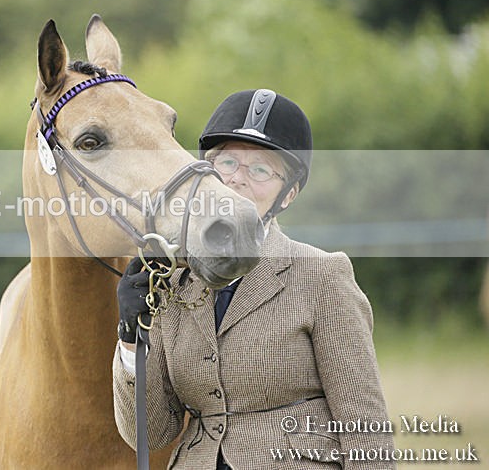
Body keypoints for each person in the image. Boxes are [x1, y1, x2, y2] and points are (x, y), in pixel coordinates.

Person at [112, 89, 395, 469]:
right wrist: (131, 340)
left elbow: (366, 430)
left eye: (260, 170)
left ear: (288, 194)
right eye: (226, 162)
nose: (236, 180)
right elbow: (150, 435)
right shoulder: (171, 281)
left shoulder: (323, 276)